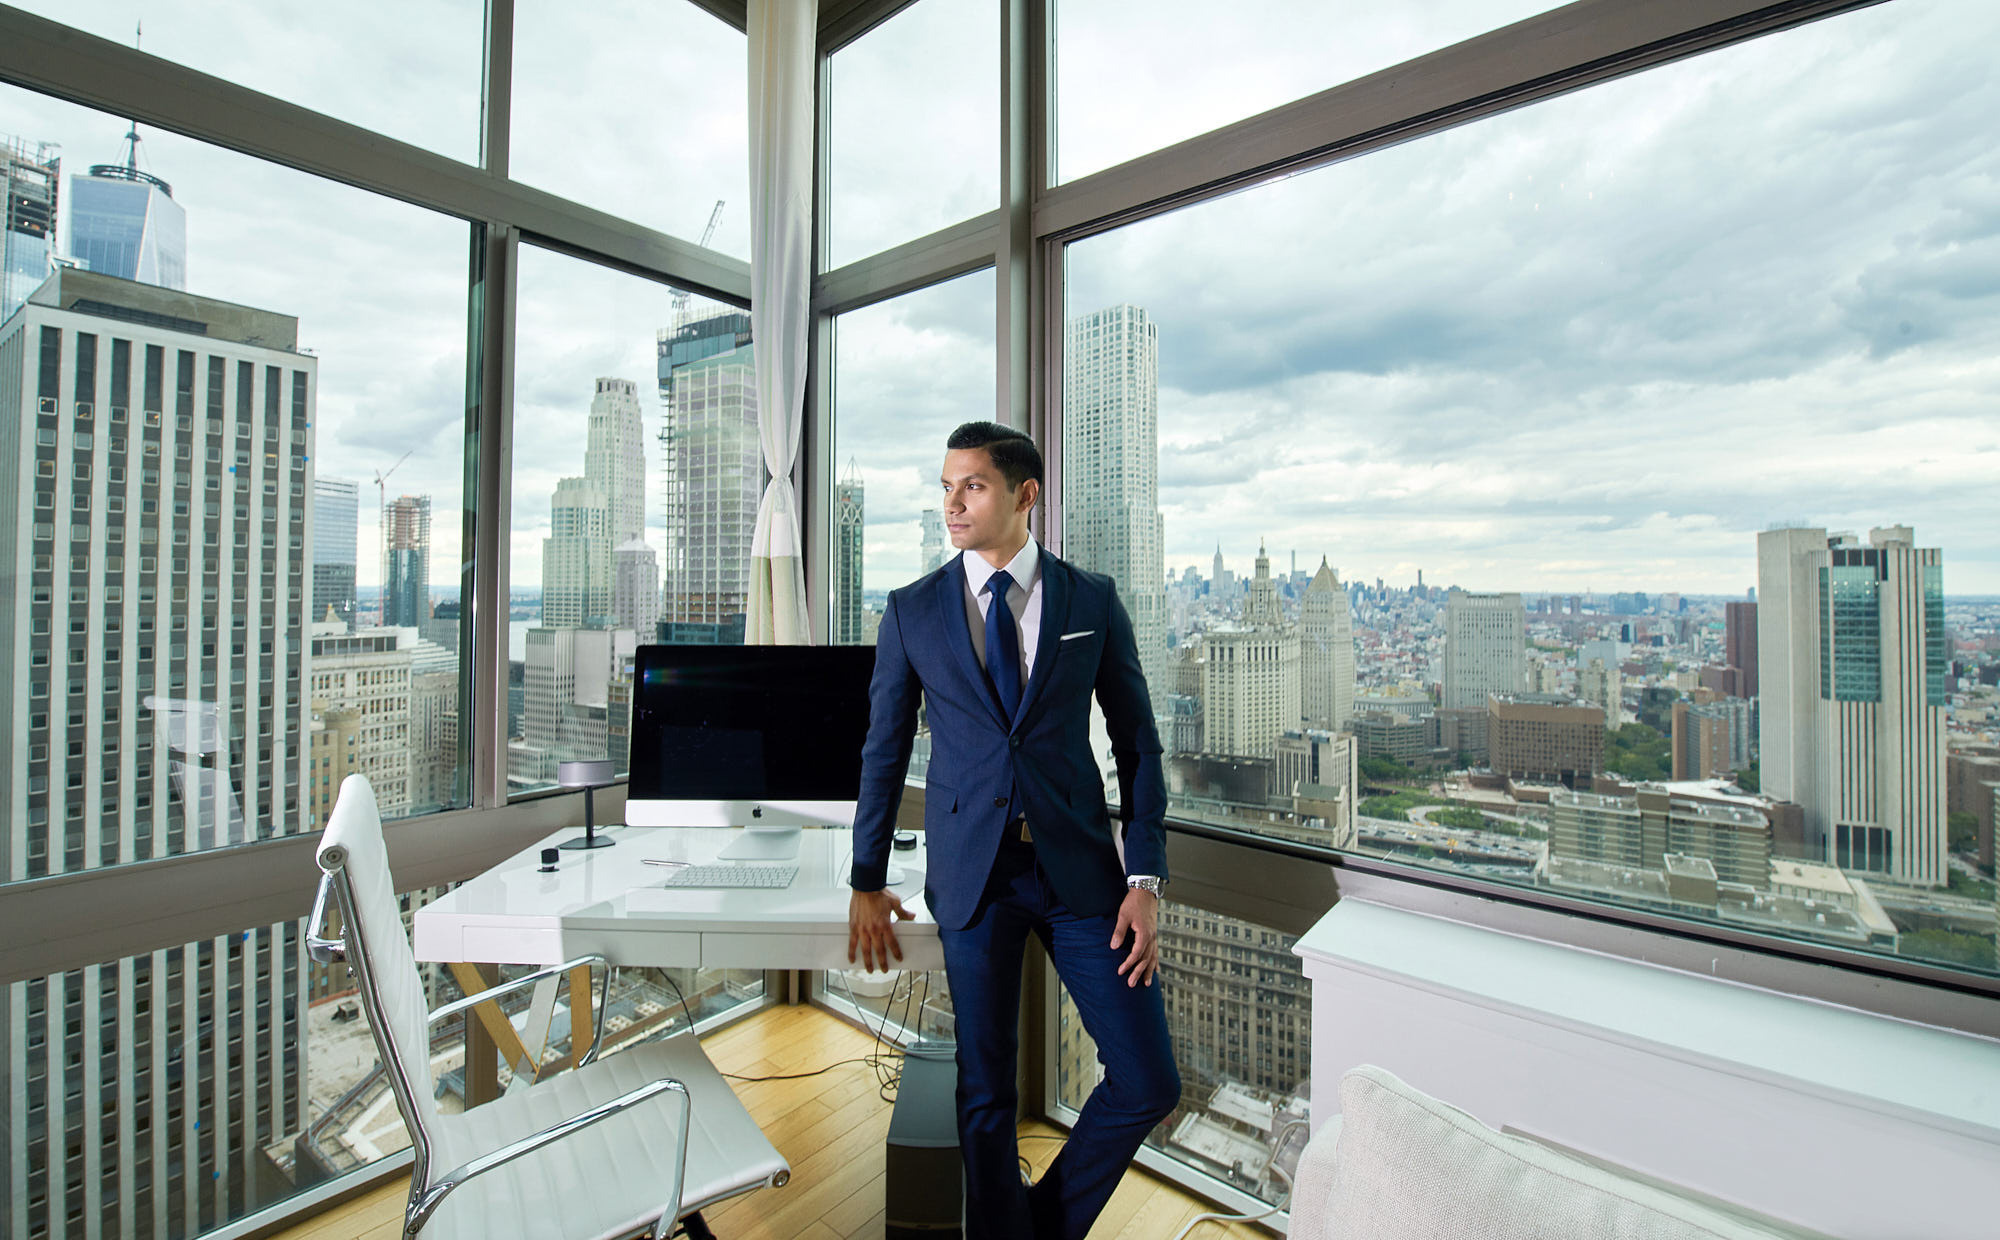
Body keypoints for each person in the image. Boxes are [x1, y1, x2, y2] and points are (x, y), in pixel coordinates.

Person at [848, 421, 1179, 1240]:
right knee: (985, 1092)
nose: (953, 504)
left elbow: (1137, 745)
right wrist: (865, 877)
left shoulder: (1090, 600)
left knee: (1146, 1080)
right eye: (947, 487)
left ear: (1026, 495)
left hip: (1081, 880)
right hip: (974, 877)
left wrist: (1145, 879)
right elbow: (883, 752)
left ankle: (1035, 1227)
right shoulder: (913, 610)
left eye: (974, 487)